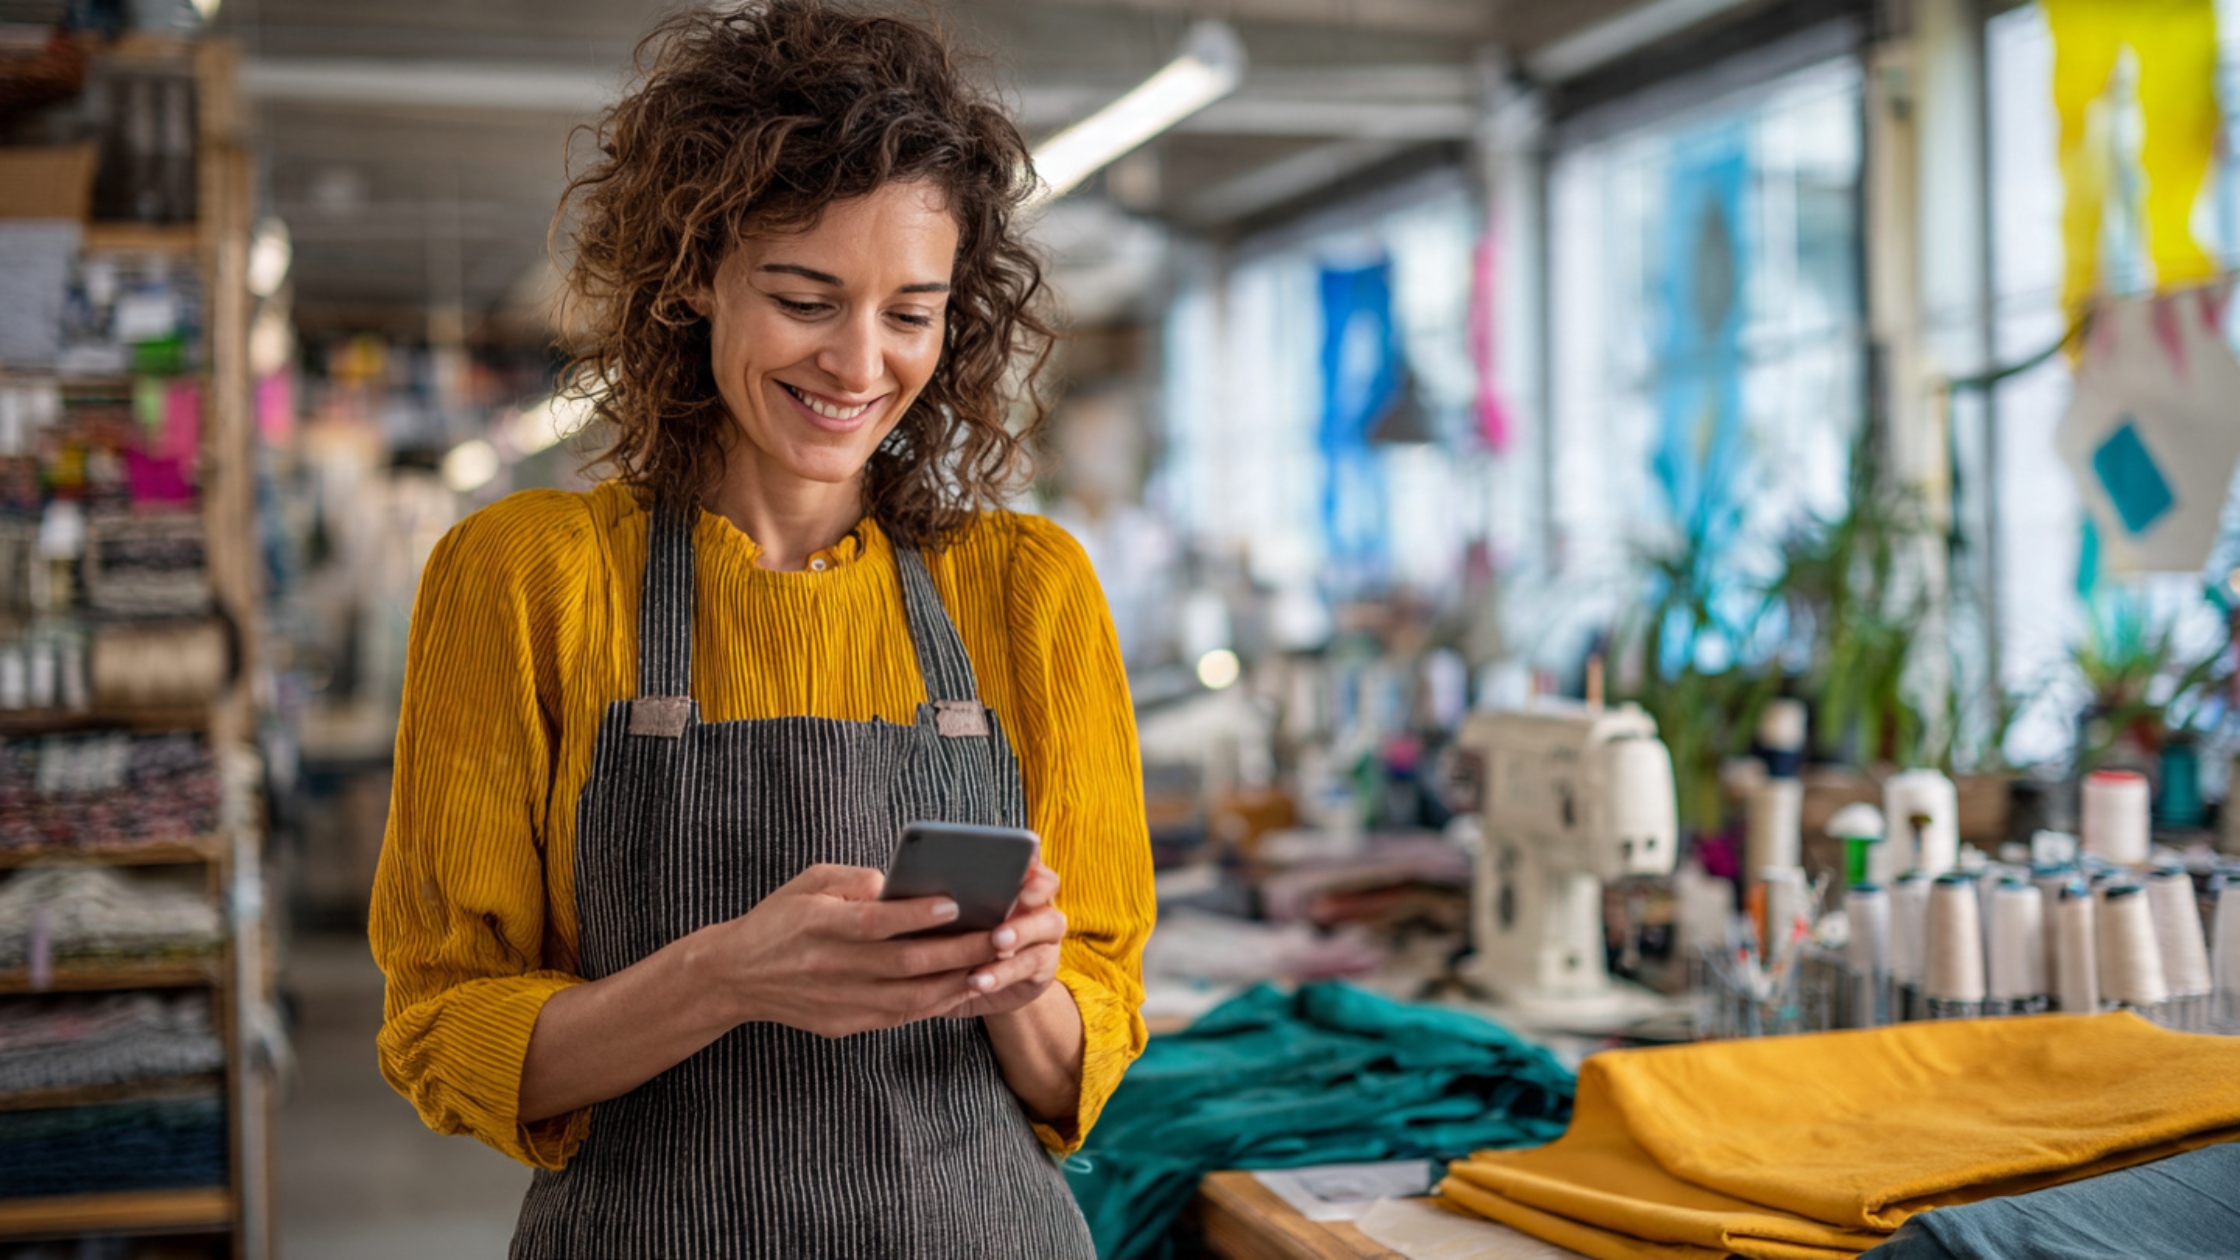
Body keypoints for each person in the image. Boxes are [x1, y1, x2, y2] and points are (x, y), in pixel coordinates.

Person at [368, 3, 1154, 1255]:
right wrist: (726, 974)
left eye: (910, 312)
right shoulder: (524, 579)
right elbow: (444, 1038)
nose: (858, 364)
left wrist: (1021, 989)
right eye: (804, 298)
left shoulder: (1027, 590)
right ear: (691, 273)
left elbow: (1076, 1084)